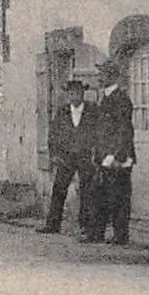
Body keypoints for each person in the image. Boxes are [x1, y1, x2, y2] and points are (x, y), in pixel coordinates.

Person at [86, 60, 135, 245]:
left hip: (116, 157)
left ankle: (120, 235)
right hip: (103, 155)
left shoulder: (121, 99)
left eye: (103, 74)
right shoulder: (104, 97)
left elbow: (124, 130)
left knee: (118, 197)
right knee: (99, 195)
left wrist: (117, 155)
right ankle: (96, 233)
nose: (99, 77)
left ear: (111, 76)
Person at [39, 78, 92, 235]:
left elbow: (98, 133)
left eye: (78, 93)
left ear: (83, 94)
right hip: (66, 157)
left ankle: (86, 225)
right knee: (59, 189)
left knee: (87, 190)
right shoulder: (62, 112)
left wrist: (94, 153)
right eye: (71, 93)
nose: (74, 96)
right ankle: (53, 224)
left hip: (85, 156)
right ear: (68, 95)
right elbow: (53, 135)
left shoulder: (92, 111)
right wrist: (54, 154)